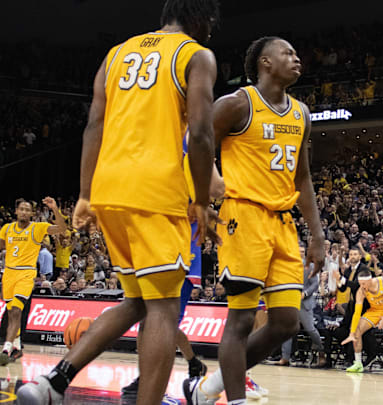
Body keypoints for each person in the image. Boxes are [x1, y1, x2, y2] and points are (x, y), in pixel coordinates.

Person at [17, 1, 221, 404]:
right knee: (163, 308)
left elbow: (94, 123)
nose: (212, 32)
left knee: (136, 302)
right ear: (201, 18)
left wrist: (85, 194)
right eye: (212, 24)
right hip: (156, 192)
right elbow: (199, 133)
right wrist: (199, 200)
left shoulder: (116, 54)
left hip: (110, 189)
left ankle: (52, 383)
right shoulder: (196, 55)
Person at [184, 36, 325, 405]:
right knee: (242, 320)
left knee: (285, 323)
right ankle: (235, 400)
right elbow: (193, 140)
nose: (297, 59)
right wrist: (205, 186)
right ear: (265, 62)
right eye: (288, 53)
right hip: (243, 216)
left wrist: (318, 235)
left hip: (283, 221)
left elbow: (304, 177)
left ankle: (210, 389)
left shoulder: (302, 113)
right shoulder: (237, 103)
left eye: (297, 54)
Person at [122, 130, 226, 399]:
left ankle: (152, 385)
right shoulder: (177, 140)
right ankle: (156, 381)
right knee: (158, 321)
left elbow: (211, 192)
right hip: (167, 248)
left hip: (173, 250)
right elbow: (215, 190)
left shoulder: (174, 139)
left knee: (157, 322)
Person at [0, 198, 66, 365]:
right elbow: (2, 247)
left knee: (15, 310)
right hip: (8, 273)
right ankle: (17, 346)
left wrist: (55, 209)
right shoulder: (6, 229)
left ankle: (6, 349)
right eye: (21, 209)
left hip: (26, 274)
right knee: (11, 312)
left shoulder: (38, 228)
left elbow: (62, 229)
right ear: (16, 211)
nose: (23, 212)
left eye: (27, 209)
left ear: (32, 213)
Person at [341, 268, 383, 373]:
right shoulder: (361, 291)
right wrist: (352, 332)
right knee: (357, 330)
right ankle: (358, 363)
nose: (362, 286)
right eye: (360, 284)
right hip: (375, 311)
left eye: (364, 283)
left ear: (370, 280)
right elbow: (357, 313)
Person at [279, 245, 327, 368]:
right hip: (290, 301)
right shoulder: (288, 265)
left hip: (304, 303)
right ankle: (285, 358)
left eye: (302, 251)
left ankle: (321, 353)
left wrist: (305, 293)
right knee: (286, 330)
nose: (300, 253)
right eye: (298, 251)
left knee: (310, 329)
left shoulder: (310, 266)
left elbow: (315, 284)